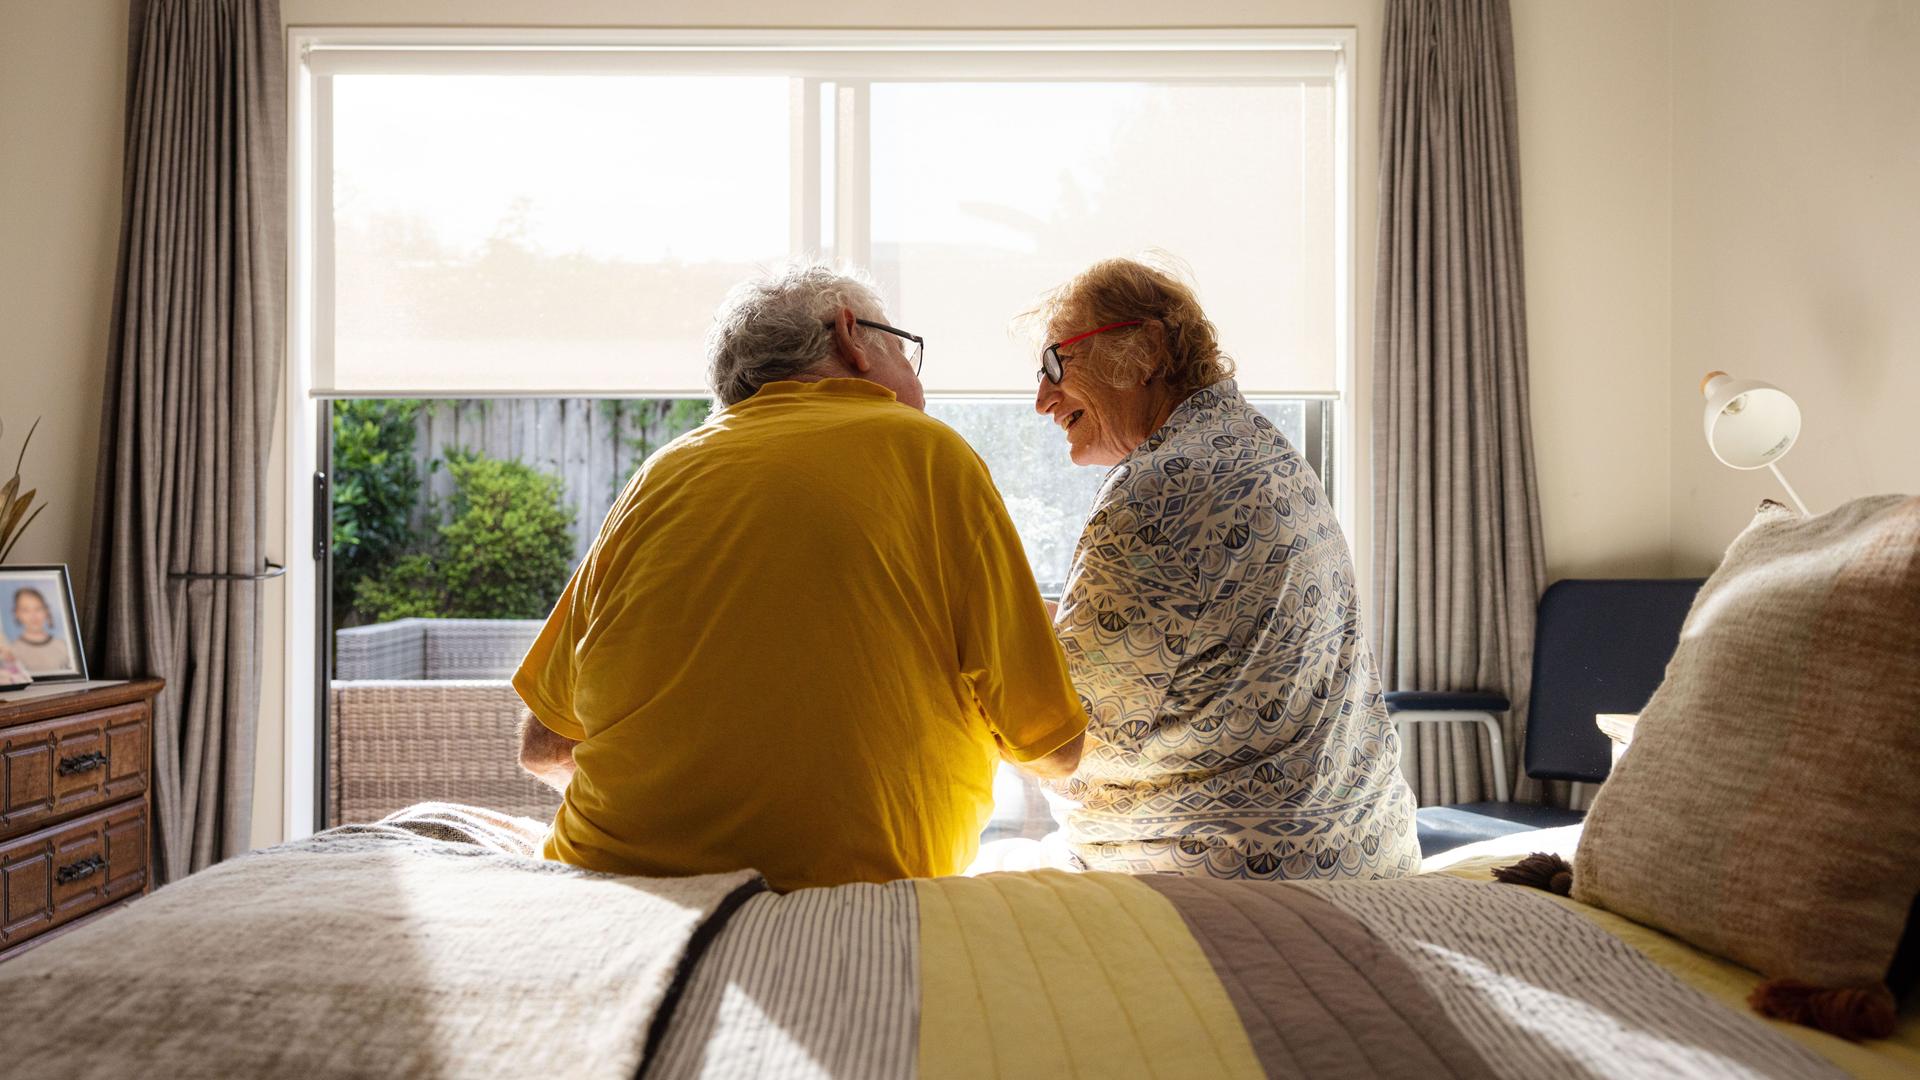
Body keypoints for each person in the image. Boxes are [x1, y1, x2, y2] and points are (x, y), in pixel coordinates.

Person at [513, 263, 1088, 891]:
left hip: (607, 883)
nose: (919, 387)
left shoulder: (661, 475)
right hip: (855, 891)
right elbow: (1053, 750)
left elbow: (543, 748)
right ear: (850, 335)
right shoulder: (929, 453)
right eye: (904, 351)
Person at [1030, 257, 1420, 880]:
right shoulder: (1258, 447)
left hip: (1246, 880)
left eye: (1056, 362)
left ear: (1147, 349)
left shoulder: (1159, 488)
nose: (1042, 399)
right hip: (1367, 856)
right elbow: (1173, 644)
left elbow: (1062, 738)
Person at [7, 587, 74, 676]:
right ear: (17, 613)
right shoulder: (12, 651)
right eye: (26, 610)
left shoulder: (64, 646)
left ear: (46, 611)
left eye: (38, 608)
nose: (33, 616)